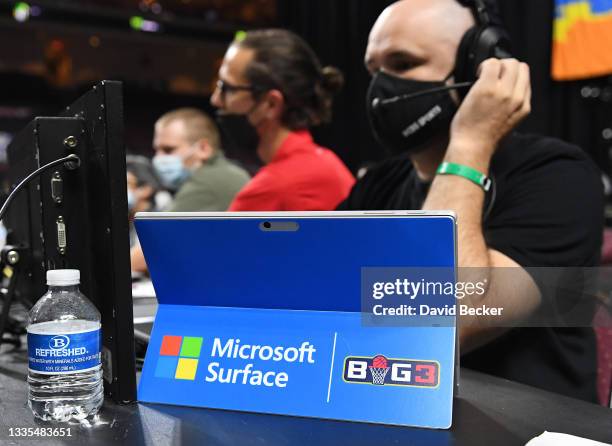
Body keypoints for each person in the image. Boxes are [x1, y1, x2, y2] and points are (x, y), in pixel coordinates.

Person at [338, 0, 603, 402]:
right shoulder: (376, 186)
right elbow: (323, 311)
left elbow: (439, 320)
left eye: (403, 63)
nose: (379, 91)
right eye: (374, 70)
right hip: (390, 411)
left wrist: (470, 143)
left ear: (477, 71)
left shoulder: (559, 175)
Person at [210, 29, 355, 211]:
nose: (215, 99)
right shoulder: (328, 162)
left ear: (271, 104)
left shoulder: (271, 188)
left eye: (227, 88)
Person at [130, 108, 250, 272]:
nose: (158, 158)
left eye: (168, 150)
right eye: (156, 150)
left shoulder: (209, 182)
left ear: (203, 149)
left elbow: (150, 250)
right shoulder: (225, 172)